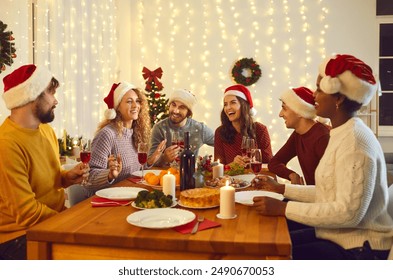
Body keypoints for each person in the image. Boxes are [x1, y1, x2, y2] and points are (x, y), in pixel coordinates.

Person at [252, 54, 393, 260]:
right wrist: (282, 189)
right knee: (266, 238)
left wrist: (284, 207)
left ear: (339, 98)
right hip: (338, 235)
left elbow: (347, 213)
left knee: (269, 251)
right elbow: (331, 193)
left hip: (359, 248)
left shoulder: (355, 142)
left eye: (319, 88)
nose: (314, 95)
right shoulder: (342, 131)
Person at [0, 64, 86, 260]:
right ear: (31, 96)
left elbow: (44, 181)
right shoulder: (6, 144)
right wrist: (72, 220)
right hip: (17, 237)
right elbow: (27, 213)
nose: (55, 100)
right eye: (50, 92)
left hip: (51, 224)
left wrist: (66, 178)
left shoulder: (46, 130)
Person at [84, 82, 166, 196]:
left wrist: (152, 159)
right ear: (118, 107)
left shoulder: (136, 133)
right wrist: (110, 174)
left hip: (128, 194)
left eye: (137, 101)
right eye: (129, 101)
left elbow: (134, 171)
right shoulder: (107, 134)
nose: (135, 105)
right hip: (107, 200)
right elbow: (89, 177)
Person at [268, 86, 330, 184]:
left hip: (321, 198)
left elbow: (330, 186)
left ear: (299, 112)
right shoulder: (298, 133)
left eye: (284, 109)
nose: (280, 114)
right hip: (311, 195)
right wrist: (291, 175)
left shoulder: (322, 138)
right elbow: (274, 162)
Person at [148, 88, 214, 167]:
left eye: (182, 107)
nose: (176, 111)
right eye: (173, 105)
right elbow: (149, 162)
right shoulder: (159, 128)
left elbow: (223, 142)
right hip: (165, 177)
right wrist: (164, 158)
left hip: (189, 176)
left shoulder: (200, 129)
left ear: (188, 112)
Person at [214, 84, 272, 166]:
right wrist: (233, 165)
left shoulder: (260, 129)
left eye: (233, 103)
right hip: (231, 178)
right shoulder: (220, 132)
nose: (228, 108)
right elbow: (218, 167)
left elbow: (269, 163)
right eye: (225, 104)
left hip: (256, 177)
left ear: (244, 105)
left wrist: (253, 161)